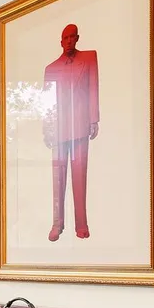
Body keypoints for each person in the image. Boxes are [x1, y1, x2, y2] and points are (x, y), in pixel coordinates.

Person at [42, 23, 99, 241]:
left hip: (80, 124)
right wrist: (46, 129)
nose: (68, 41)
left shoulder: (89, 58)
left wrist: (94, 118)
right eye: (64, 38)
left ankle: (81, 224)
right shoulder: (51, 68)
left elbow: (93, 87)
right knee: (58, 178)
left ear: (77, 38)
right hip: (57, 127)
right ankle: (57, 224)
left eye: (71, 37)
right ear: (61, 41)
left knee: (79, 176)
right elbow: (46, 101)